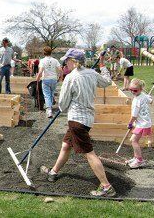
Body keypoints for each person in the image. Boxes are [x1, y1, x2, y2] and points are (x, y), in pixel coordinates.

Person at [40, 48, 117, 197]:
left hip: (76, 120)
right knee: (66, 145)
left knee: (89, 153)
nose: (65, 63)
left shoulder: (71, 77)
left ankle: (107, 187)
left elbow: (62, 104)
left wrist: (63, 107)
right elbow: (107, 81)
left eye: (67, 60)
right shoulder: (93, 73)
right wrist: (102, 65)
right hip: (87, 119)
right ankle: (54, 172)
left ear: (74, 62)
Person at [126, 78, 153, 169]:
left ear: (140, 89)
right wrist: (147, 98)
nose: (132, 92)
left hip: (142, 124)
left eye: (135, 90)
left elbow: (134, 116)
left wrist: (130, 123)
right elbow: (151, 101)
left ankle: (139, 160)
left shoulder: (136, 101)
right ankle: (135, 158)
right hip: (144, 122)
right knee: (134, 140)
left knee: (134, 140)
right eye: (131, 90)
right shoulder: (143, 95)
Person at [35, 46, 62, 118]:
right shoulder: (55, 60)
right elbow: (60, 69)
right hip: (54, 79)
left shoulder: (42, 61)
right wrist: (61, 77)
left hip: (46, 80)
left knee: (47, 95)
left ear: (44, 53)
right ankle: (50, 104)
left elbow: (40, 71)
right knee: (51, 93)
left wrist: (37, 78)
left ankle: (49, 111)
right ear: (51, 52)